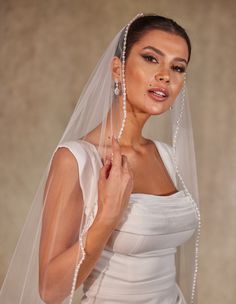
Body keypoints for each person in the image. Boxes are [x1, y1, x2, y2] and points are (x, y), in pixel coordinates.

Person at [0, 13, 201, 304]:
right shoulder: (76, 160)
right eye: (151, 58)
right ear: (117, 69)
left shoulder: (168, 157)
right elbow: (51, 290)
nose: (165, 76)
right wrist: (108, 216)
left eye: (178, 67)